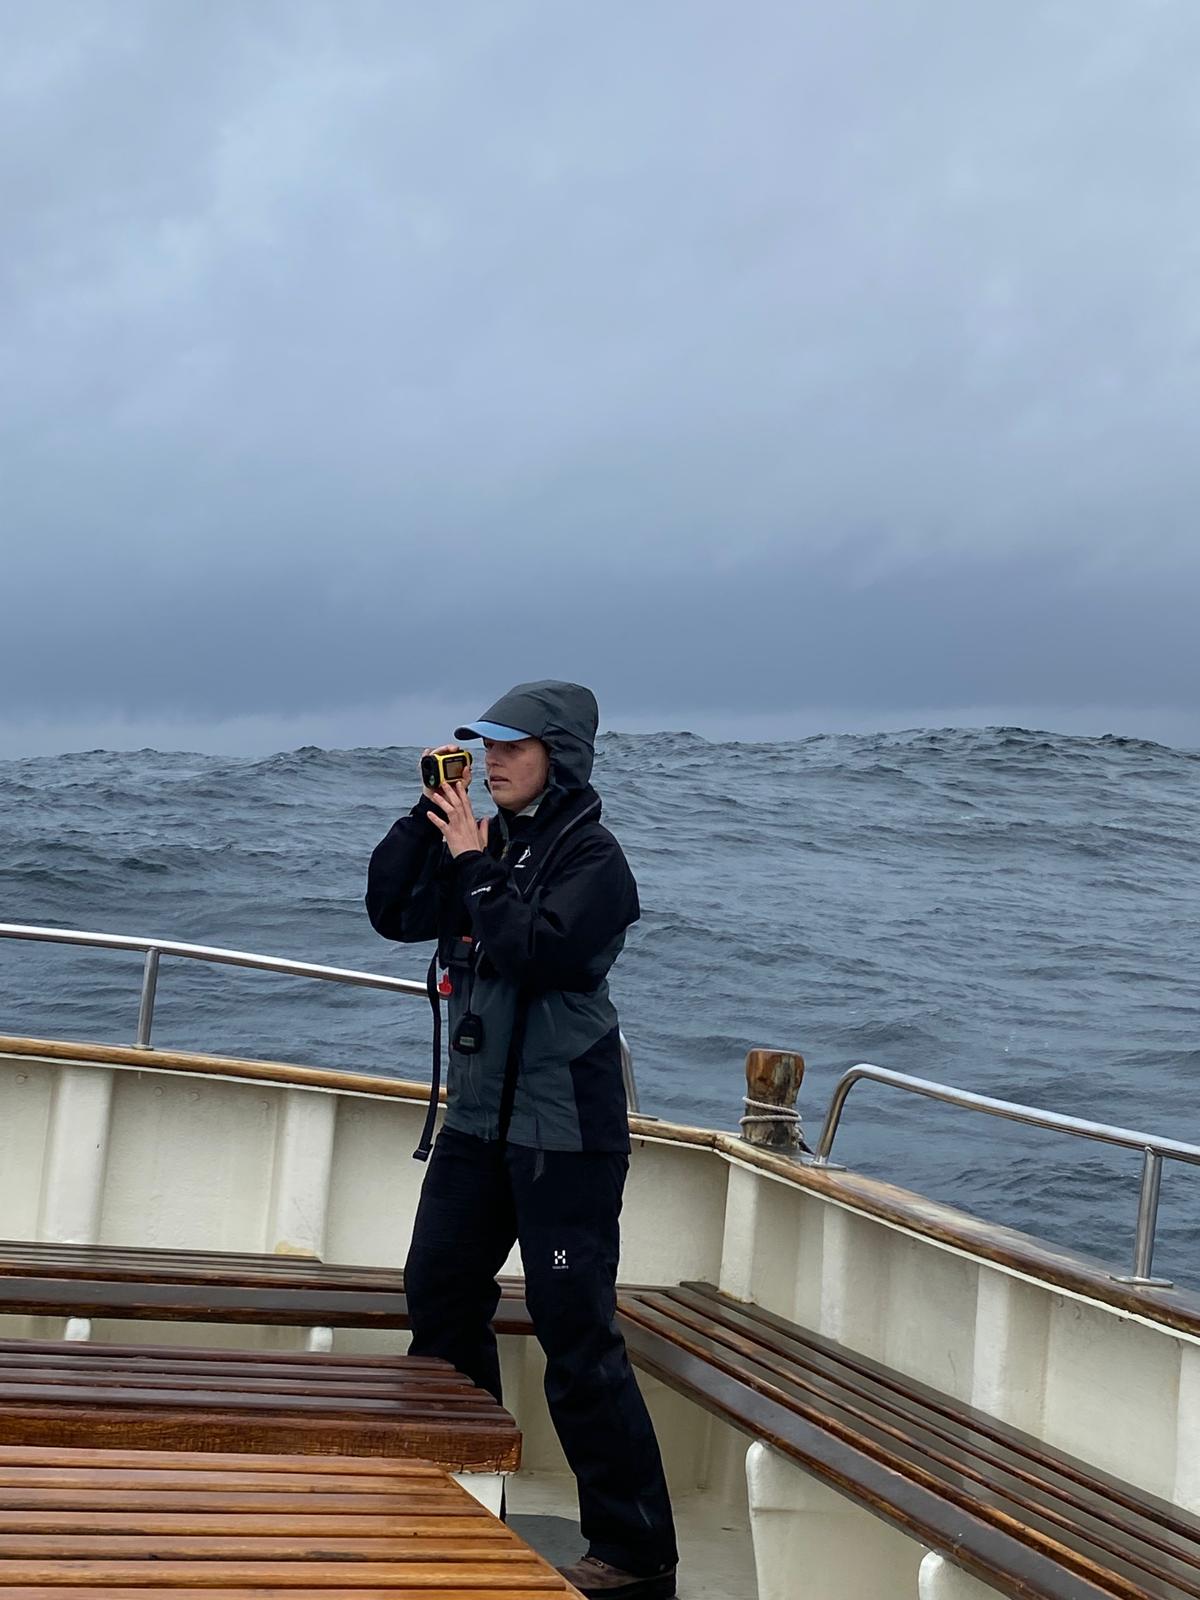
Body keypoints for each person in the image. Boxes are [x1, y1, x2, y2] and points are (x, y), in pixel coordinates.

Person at [366, 680, 678, 1600]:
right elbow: (392, 911)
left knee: (575, 1336)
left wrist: (473, 860)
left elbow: (536, 950)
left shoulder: (597, 862)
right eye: (481, 748)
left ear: (560, 755)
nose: (492, 761)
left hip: (565, 1133)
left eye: (511, 747)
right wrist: (430, 820)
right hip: (476, 1123)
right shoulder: (487, 840)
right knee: (439, 1295)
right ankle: (461, 1499)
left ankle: (633, 1552)